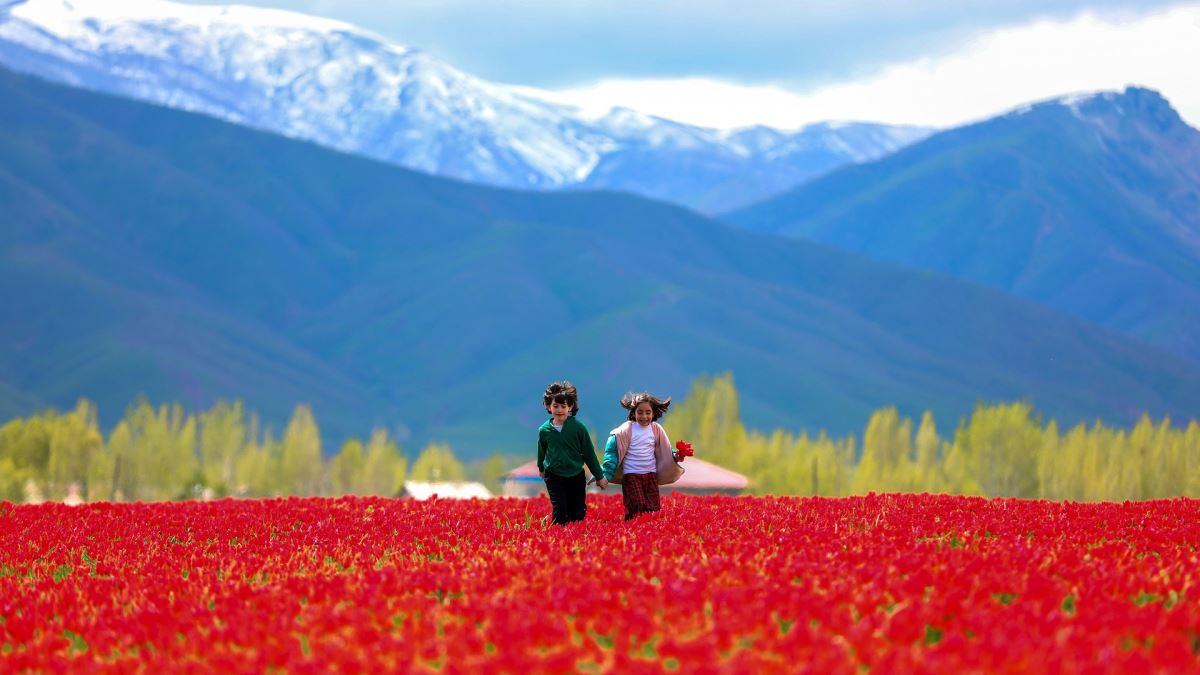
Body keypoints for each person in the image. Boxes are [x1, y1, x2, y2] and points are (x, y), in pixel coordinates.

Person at [601, 392, 685, 521]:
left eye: (648, 412)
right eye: (640, 412)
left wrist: (676, 455)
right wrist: (606, 474)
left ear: (653, 413)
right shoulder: (627, 429)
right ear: (633, 413)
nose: (644, 416)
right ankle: (632, 530)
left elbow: (665, 451)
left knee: (653, 508)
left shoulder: (655, 429)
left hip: (651, 475)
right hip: (631, 475)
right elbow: (613, 451)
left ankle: (648, 534)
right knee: (637, 505)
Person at [537, 381, 608, 525]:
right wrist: (541, 468)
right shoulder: (544, 430)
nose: (559, 410)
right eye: (555, 406)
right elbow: (542, 450)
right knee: (560, 508)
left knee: (577, 511)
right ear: (548, 406)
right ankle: (557, 539)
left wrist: (600, 476)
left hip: (575, 475)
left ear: (570, 407)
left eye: (563, 406)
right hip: (554, 475)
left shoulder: (578, 428)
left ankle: (575, 538)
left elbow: (589, 454)